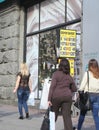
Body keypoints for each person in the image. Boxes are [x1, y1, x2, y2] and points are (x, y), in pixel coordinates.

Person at [48, 58, 77, 130]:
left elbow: (52, 87)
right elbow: (74, 89)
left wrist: (49, 99)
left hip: (56, 97)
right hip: (67, 97)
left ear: (60, 65)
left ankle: (50, 128)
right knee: (67, 117)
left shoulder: (56, 74)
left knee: (53, 116)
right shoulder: (69, 76)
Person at [76, 59, 99, 130]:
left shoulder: (87, 73)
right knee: (95, 116)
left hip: (87, 96)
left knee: (82, 113)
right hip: (97, 96)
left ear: (90, 66)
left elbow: (82, 86)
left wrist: (79, 91)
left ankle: (79, 128)